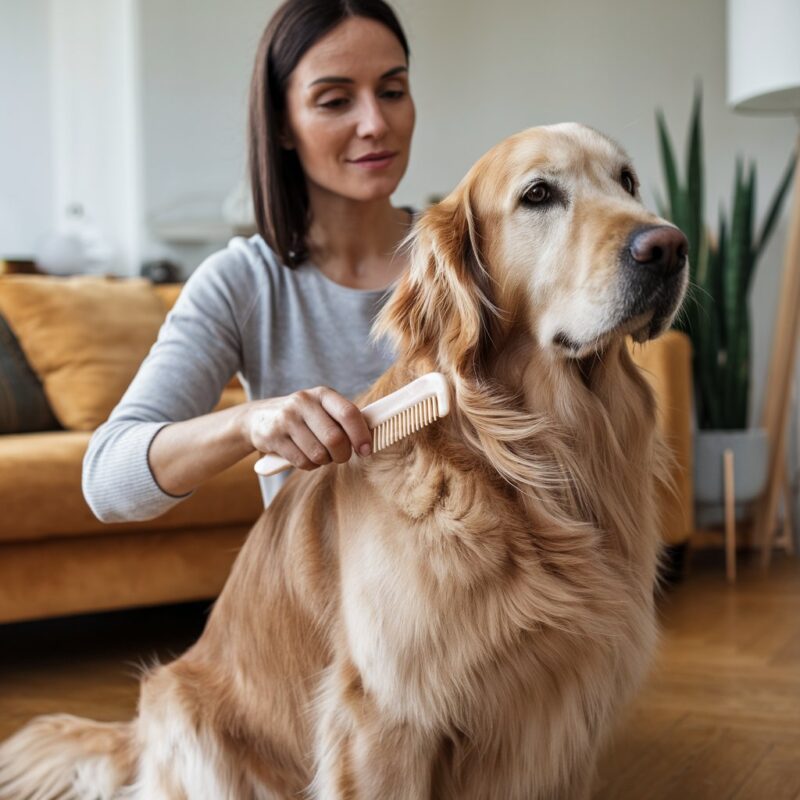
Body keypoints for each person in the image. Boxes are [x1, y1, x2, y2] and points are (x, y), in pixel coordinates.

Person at [82, 0, 416, 522]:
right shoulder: (242, 283)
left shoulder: (473, 258)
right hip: (317, 600)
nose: (375, 123)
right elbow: (107, 481)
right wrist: (249, 423)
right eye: (334, 101)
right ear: (283, 125)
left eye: (392, 91)